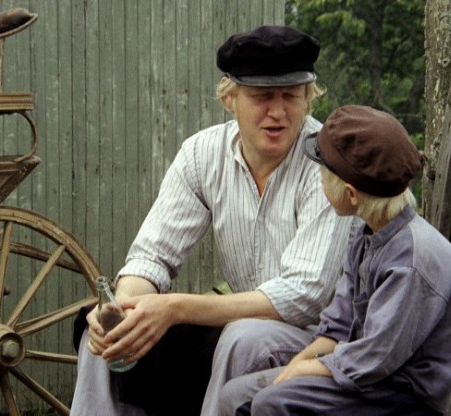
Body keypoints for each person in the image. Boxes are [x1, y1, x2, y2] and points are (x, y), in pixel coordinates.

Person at [70, 25, 356, 416]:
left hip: (324, 343)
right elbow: (152, 257)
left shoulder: (326, 161)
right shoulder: (202, 154)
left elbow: (304, 295)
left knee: (243, 337)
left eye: (291, 95)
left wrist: (176, 307)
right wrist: (124, 307)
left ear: (308, 98)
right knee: (107, 327)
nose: (277, 112)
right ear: (229, 98)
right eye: (262, 96)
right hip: (241, 330)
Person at [217, 105, 451, 416]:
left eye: (323, 176)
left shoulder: (412, 261)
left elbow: (377, 358)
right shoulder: (367, 237)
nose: (319, 181)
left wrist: (306, 371)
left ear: (350, 194)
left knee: (273, 403)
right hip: (362, 377)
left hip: (403, 395)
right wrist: (298, 365)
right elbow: (338, 326)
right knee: (236, 395)